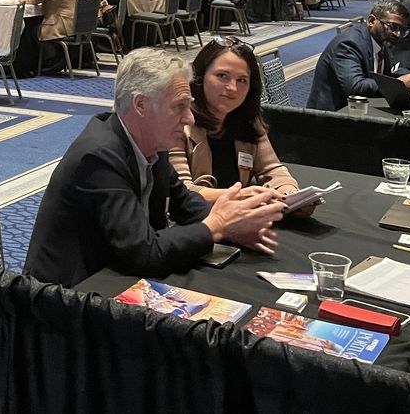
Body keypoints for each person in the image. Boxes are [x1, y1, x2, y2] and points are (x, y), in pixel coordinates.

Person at [24, 48, 286, 286]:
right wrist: (215, 226)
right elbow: (144, 253)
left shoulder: (153, 144)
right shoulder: (99, 156)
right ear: (141, 105)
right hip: (66, 297)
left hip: (111, 276)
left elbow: (185, 204)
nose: (189, 118)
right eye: (179, 107)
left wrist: (231, 223)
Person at [168, 37, 314, 216]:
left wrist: (289, 194)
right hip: (195, 225)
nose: (232, 87)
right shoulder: (178, 124)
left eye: (242, 80)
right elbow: (181, 191)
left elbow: (273, 169)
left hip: (240, 220)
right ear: (200, 77)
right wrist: (244, 196)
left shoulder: (247, 121)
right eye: (222, 76)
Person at [306, 0, 410, 111]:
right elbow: (355, 86)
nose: (397, 34)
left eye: (402, 30)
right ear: (372, 21)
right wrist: (400, 84)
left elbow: (387, 73)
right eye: (393, 26)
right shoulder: (349, 44)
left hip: (358, 109)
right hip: (332, 117)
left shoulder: (381, 39)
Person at [21, 0, 78, 74]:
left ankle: (37, 63)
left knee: (28, 31)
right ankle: (47, 60)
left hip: (58, 25)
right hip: (72, 23)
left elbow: (32, 1)